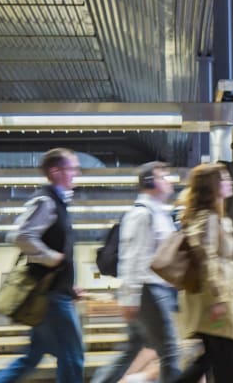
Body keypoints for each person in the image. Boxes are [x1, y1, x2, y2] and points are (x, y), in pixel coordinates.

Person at [0, 148, 84, 383]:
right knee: (72, 357)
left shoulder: (59, 202)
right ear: (56, 171)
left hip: (55, 291)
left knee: (32, 357)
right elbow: (20, 236)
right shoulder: (46, 201)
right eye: (72, 168)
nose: (77, 173)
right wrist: (51, 257)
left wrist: (70, 286)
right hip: (49, 295)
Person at [91, 162, 180, 383]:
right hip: (148, 291)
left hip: (157, 291)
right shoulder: (141, 214)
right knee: (170, 351)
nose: (169, 181)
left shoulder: (161, 214)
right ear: (149, 182)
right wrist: (129, 298)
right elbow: (131, 258)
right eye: (163, 176)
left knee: (131, 351)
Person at [173, 163, 233, 383]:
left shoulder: (208, 217)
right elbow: (207, 260)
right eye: (224, 178)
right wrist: (218, 300)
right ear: (212, 186)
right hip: (216, 303)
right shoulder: (209, 219)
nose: (231, 181)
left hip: (215, 300)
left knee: (211, 360)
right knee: (229, 365)